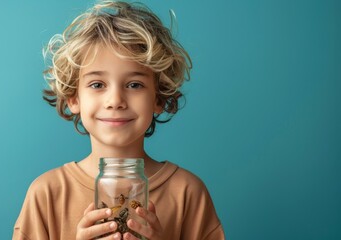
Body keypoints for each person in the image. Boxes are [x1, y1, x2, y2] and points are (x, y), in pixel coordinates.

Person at [12, 1, 225, 239]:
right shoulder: (47, 194)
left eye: (134, 84)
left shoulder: (187, 193)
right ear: (73, 98)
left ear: (159, 97)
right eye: (97, 84)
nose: (115, 100)